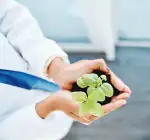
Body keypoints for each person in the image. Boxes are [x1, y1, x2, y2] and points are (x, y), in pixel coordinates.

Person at [0, 0, 131, 140]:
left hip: (43, 86)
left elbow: (8, 15)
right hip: (27, 127)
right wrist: (48, 107)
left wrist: (57, 68)